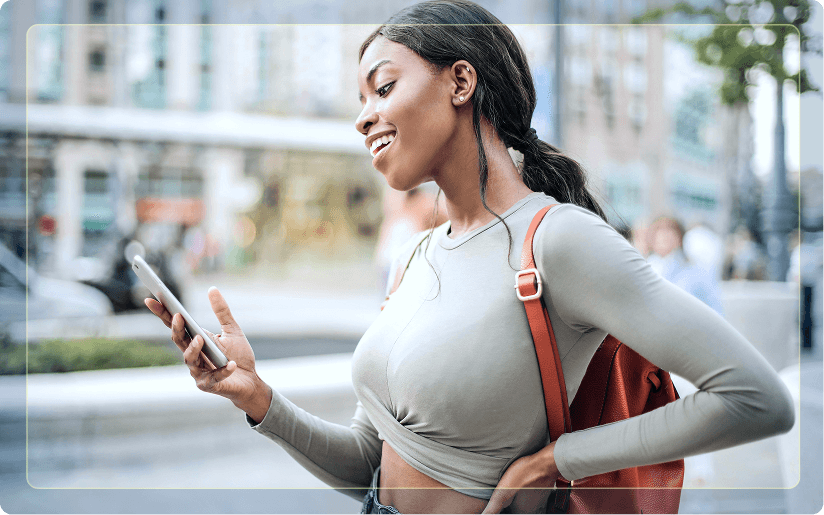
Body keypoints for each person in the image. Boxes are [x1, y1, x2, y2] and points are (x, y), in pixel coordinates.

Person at [145, 2, 795, 513]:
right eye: (360, 101)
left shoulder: (557, 239)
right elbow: (365, 464)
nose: (363, 117)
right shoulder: (415, 256)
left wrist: (558, 459)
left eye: (383, 87)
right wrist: (258, 398)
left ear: (461, 81)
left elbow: (756, 397)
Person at [647, 216, 724, 315]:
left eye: (669, 230)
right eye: (658, 230)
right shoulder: (646, 268)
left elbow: (716, 310)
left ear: (679, 238)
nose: (663, 235)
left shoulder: (696, 272)